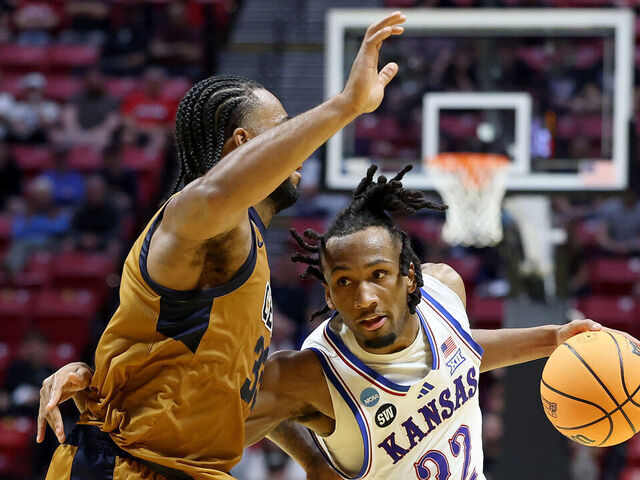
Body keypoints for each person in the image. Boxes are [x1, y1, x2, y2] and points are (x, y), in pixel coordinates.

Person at [40, 166, 634, 479]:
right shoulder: (309, 376)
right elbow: (183, 420)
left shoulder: (447, 293)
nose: (362, 295)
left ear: (410, 276)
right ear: (326, 291)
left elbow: (463, 352)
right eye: (342, 283)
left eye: (377, 275)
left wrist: (554, 338)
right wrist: (95, 379)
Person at [37, 11, 407, 480]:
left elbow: (234, 387)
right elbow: (215, 192)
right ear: (242, 144)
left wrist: (312, 459)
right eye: (283, 130)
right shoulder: (196, 217)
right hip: (128, 465)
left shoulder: (245, 238)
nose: (298, 149)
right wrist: (346, 105)